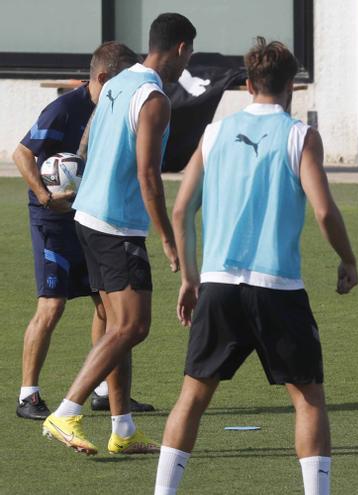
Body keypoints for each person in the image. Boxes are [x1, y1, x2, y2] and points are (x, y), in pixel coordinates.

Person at [153, 37, 356, 495]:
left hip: (219, 285)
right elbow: (324, 211)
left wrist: (190, 277)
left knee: (193, 396)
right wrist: (347, 259)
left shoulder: (214, 133)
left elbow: (182, 210)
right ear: (292, 86)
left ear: (247, 85)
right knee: (308, 402)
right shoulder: (300, 136)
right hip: (278, 289)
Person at [41, 13, 196, 456]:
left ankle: (123, 429)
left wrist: (78, 181)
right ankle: (67, 412)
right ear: (182, 49)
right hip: (116, 224)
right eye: (190, 54)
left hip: (88, 214)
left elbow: (87, 140)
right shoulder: (154, 99)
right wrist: (167, 237)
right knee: (134, 325)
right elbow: (149, 175)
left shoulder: (116, 81)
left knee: (116, 325)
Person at [14, 41, 155, 420]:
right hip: (53, 221)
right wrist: (45, 196)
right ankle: (28, 395)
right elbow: (22, 153)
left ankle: (104, 390)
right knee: (52, 304)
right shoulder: (65, 108)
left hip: (91, 218)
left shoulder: (113, 107)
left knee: (107, 306)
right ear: (104, 77)